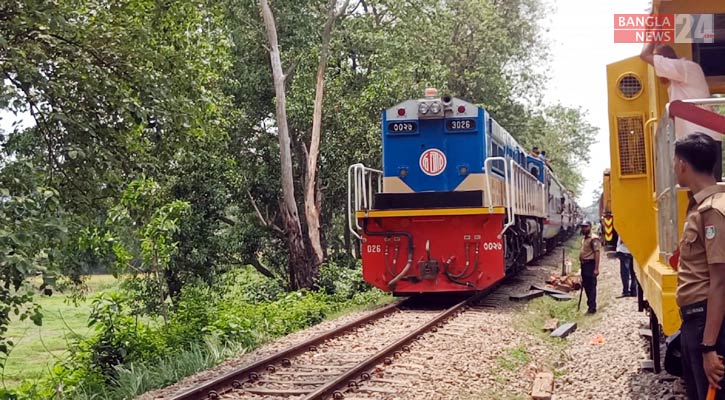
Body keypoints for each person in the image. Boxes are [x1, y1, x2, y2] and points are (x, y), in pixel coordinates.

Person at [672, 132, 725, 400]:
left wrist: (709, 346)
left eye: (674, 162)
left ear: (682, 164)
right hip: (694, 318)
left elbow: (720, 281)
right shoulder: (698, 207)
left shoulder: (713, 210)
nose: (674, 168)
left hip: (707, 320)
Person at [640, 41, 722, 182]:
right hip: (701, 139)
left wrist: (653, 33)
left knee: (706, 190)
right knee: (701, 191)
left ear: (664, 60)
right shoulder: (682, 78)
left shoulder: (684, 68)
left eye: (657, 65)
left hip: (700, 140)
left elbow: (644, 55)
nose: (657, 72)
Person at [579, 220, 601, 314]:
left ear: (590, 227)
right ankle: (590, 305)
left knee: (591, 286)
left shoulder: (594, 238)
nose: (583, 228)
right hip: (584, 265)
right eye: (582, 226)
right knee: (586, 286)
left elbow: (597, 253)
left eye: (585, 226)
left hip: (590, 265)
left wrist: (596, 268)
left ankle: (592, 308)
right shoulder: (585, 239)